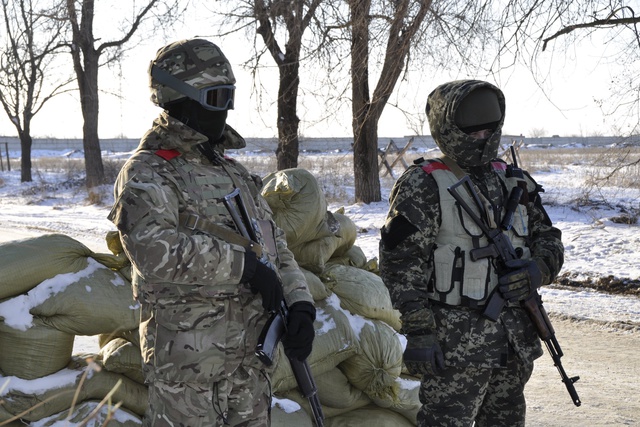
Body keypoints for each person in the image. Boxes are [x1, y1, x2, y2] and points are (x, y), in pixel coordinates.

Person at [108, 38, 316, 427]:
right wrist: (244, 267)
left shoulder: (233, 173)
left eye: (228, 97)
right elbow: (154, 251)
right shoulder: (149, 172)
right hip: (188, 373)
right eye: (215, 97)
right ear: (179, 99)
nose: (224, 110)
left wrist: (300, 302)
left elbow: (274, 246)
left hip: (249, 366)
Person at [379, 79, 564, 426]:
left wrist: (536, 272)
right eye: (472, 132)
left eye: (489, 130)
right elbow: (400, 265)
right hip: (455, 348)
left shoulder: (514, 181)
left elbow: (549, 240)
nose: (482, 139)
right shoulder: (424, 183)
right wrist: (418, 331)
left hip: (514, 342)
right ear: (448, 131)